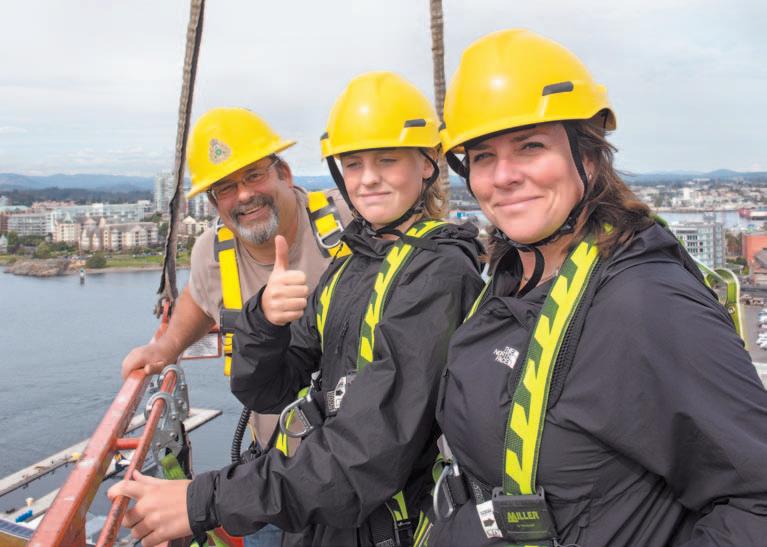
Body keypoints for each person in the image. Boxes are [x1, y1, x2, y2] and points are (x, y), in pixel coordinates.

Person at [109, 72, 484, 546]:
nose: (368, 179)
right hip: (300, 489)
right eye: (353, 164)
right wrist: (262, 321)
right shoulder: (356, 257)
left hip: (357, 506)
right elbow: (266, 390)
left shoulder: (430, 269)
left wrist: (203, 500)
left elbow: (369, 451)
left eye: (387, 160)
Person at [426, 29, 767, 546]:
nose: (503, 176)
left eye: (531, 146)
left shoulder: (645, 302)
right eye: (482, 157)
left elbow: (755, 501)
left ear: (587, 157)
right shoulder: (514, 276)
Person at [119, 107, 352, 547]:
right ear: (213, 204)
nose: (243, 195)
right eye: (225, 187)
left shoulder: (348, 222)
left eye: (253, 176)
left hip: (356, 465)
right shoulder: (215, 252)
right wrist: (166, 347)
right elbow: (198, 299)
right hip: (276, 471)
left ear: (284, 173)